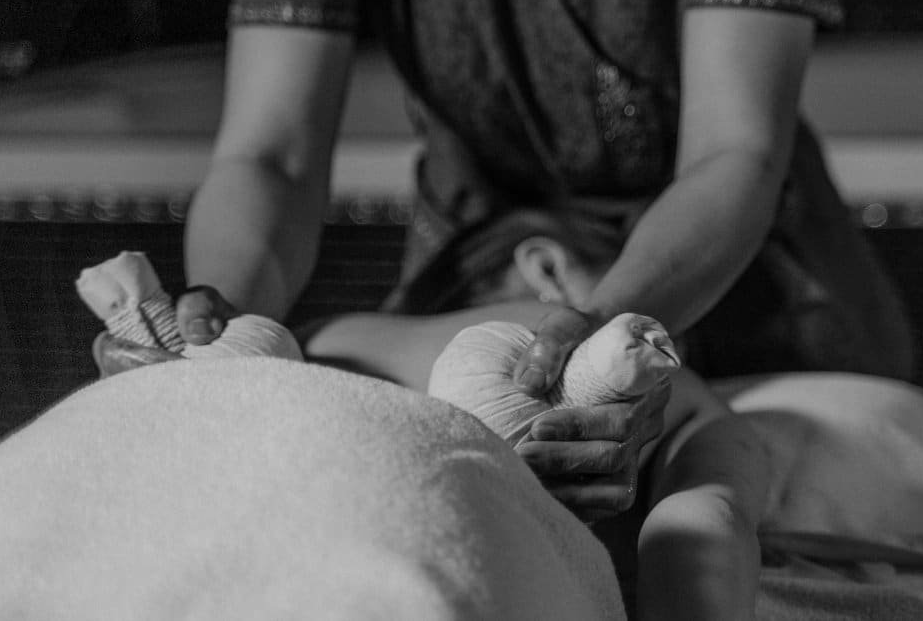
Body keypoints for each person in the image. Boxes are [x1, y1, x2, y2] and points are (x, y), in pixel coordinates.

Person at [98, 0, 915, 522]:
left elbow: (736, 151)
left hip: (727, 286)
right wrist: (212, 327)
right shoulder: (367, 349)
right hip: (478, 266)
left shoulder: (677, 394)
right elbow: (271, 153)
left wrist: (607, 339)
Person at [298, 209, 773, 620]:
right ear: (548, 268)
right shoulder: (561, 326)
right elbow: (712, 519)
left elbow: (271, 355)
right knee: (706, 504)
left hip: (370, 461)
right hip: (615, 450)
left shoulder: (377, 335)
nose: (680, 335)